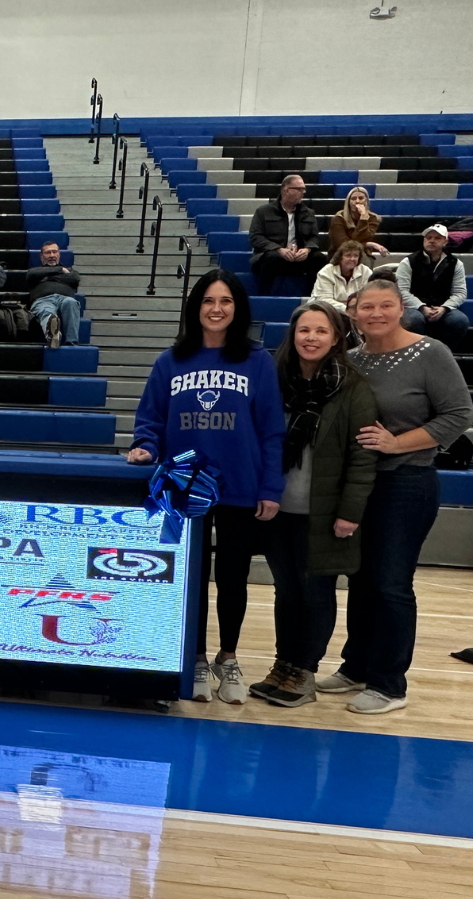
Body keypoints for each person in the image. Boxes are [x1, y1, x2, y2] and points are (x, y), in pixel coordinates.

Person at [127, 269, 286, 704]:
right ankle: (194, 658)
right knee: (190, 579)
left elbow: (272, 430)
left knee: (233, 579)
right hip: (184, 491)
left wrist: (270, 487)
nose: (216, 309)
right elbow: (150, 420)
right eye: (208, 302)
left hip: (240, 486)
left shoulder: (257, 361)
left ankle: (227, 658)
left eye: (226, 302)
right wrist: (144, 446)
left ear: (238, 309)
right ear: (195, 309)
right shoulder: (170, 361)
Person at [316, 279, 473, 714]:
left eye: (386, 305)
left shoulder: (430, 353)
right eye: (368, 307)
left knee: (391, 584)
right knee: (362, 580)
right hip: (360, 485)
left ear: (401, 307)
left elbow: (460, 414)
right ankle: (357, 667)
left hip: (407, 482)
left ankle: (389, 685)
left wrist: (397, 443)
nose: (377, 314)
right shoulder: (350, 359)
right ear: (353, 312)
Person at [250, 302, 378, 708]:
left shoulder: (353, 387)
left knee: (315, 593)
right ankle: (282, 666)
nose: (311, 338)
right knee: (286, 592)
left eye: (321, 331)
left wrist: (349, 512)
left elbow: (363, 456)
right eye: (304, 330)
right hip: (277, 508)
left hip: (323, 513)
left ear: (337, 337)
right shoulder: (275, 380)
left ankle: (304, 672)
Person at [248, 175, 327, 294]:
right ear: (286, 190)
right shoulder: (263, 211)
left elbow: (314, 237)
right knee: (271, 258)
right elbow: (255, 237)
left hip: (298, 258)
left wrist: (307, 249)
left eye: (304, 189)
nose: (303, 193)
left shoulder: (308, 213)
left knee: (319, 258)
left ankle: (312, 297)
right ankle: (263, 297)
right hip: (274, 257)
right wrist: (278, 249)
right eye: (299, 189)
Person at [394, 225, 469, 347]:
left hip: (443, 307)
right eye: (428, 237)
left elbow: (460, 293)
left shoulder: (456, 263)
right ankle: (417, 351)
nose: (432, 240)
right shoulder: (408, 261)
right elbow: (401, 291)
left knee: (460, 321)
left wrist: (444, 308)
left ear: (445, 241)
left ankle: (444, 352)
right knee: (413, 320)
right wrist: (421, 307)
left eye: (437, 238)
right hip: (413, 307)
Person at [26, 240, 82, 348]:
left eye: (54, 252)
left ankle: (72, 342)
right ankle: (52, 334)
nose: (52, 255)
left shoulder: (71, 271)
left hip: (65, 299)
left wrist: (47, 277)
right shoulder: (35, 271)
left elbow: (74, 279)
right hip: (43, 300)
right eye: (48, 252)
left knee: (71, 303)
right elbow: (31, 275)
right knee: (47, 311)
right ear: (41, 256)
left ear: (59, 254)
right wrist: (60, 270)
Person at [310, 240, 373, 313]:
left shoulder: (366, 271)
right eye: (348, 255)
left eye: (356, 256)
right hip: (328, 312)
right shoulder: (326, 272)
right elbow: (324, 300)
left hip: (356, 312)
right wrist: (348, 309)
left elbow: (369, 296)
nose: (352, 259)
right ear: (340, 257)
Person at [326, 186, 388, 258]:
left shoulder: (373, 218)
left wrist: (363, 218)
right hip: (339, 255)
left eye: (361, 198)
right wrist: (368, 244)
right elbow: (344, 245)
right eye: (353, 198)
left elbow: (364, 237)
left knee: (363, 256)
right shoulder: (338, 218)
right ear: (348, 202)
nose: (357, 201)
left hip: (362, 253)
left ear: (366, 201)